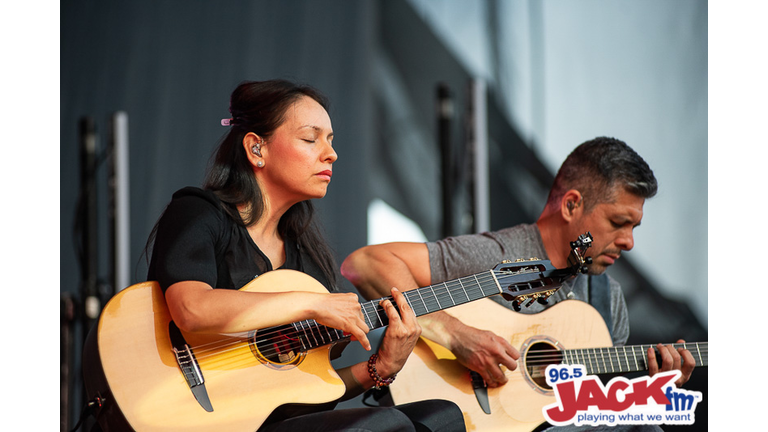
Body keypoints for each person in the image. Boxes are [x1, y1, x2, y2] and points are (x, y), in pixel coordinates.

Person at [146, 79, 465, 432]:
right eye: (311, 139)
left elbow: (304, 394)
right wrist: (313, 304)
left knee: (444, 416)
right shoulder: (199, 212)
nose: (331, 154)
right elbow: (191, 309)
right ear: (256, 148)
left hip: (265, 422)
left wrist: (380, 367)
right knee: (387, 423)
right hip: (180, 411)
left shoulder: (306, 261)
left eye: (331, 140)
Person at [341, 137, 696, 428]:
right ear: (571, 205)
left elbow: (589, 411)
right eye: (618, 223)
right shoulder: (498, 255)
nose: (629, 242)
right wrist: (456, 334)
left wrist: (653, 388)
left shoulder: (608, 300)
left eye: (634, 227)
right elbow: (365, 263)